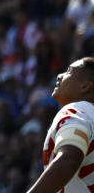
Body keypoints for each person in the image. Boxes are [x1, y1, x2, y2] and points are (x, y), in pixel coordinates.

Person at [25, 58, 94, 193]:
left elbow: (69, 159)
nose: (59, 75)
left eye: (69, 71)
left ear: (85, 86)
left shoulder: (78, 109)